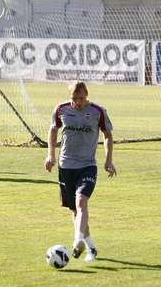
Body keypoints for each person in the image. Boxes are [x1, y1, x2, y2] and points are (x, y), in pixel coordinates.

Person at [44, 81, 116, 262]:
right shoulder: (61, 109)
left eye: (81, 98)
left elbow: (107, 135)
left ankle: (77, 241)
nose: (78, 102)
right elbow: (53, 130)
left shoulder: (98, 112)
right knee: (76, 210)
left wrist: (108, 160)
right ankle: (90, 247)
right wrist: (50, 155)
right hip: (66, 166)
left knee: (81, 201)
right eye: (74, 98)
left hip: (87, 165)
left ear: (87, 96)